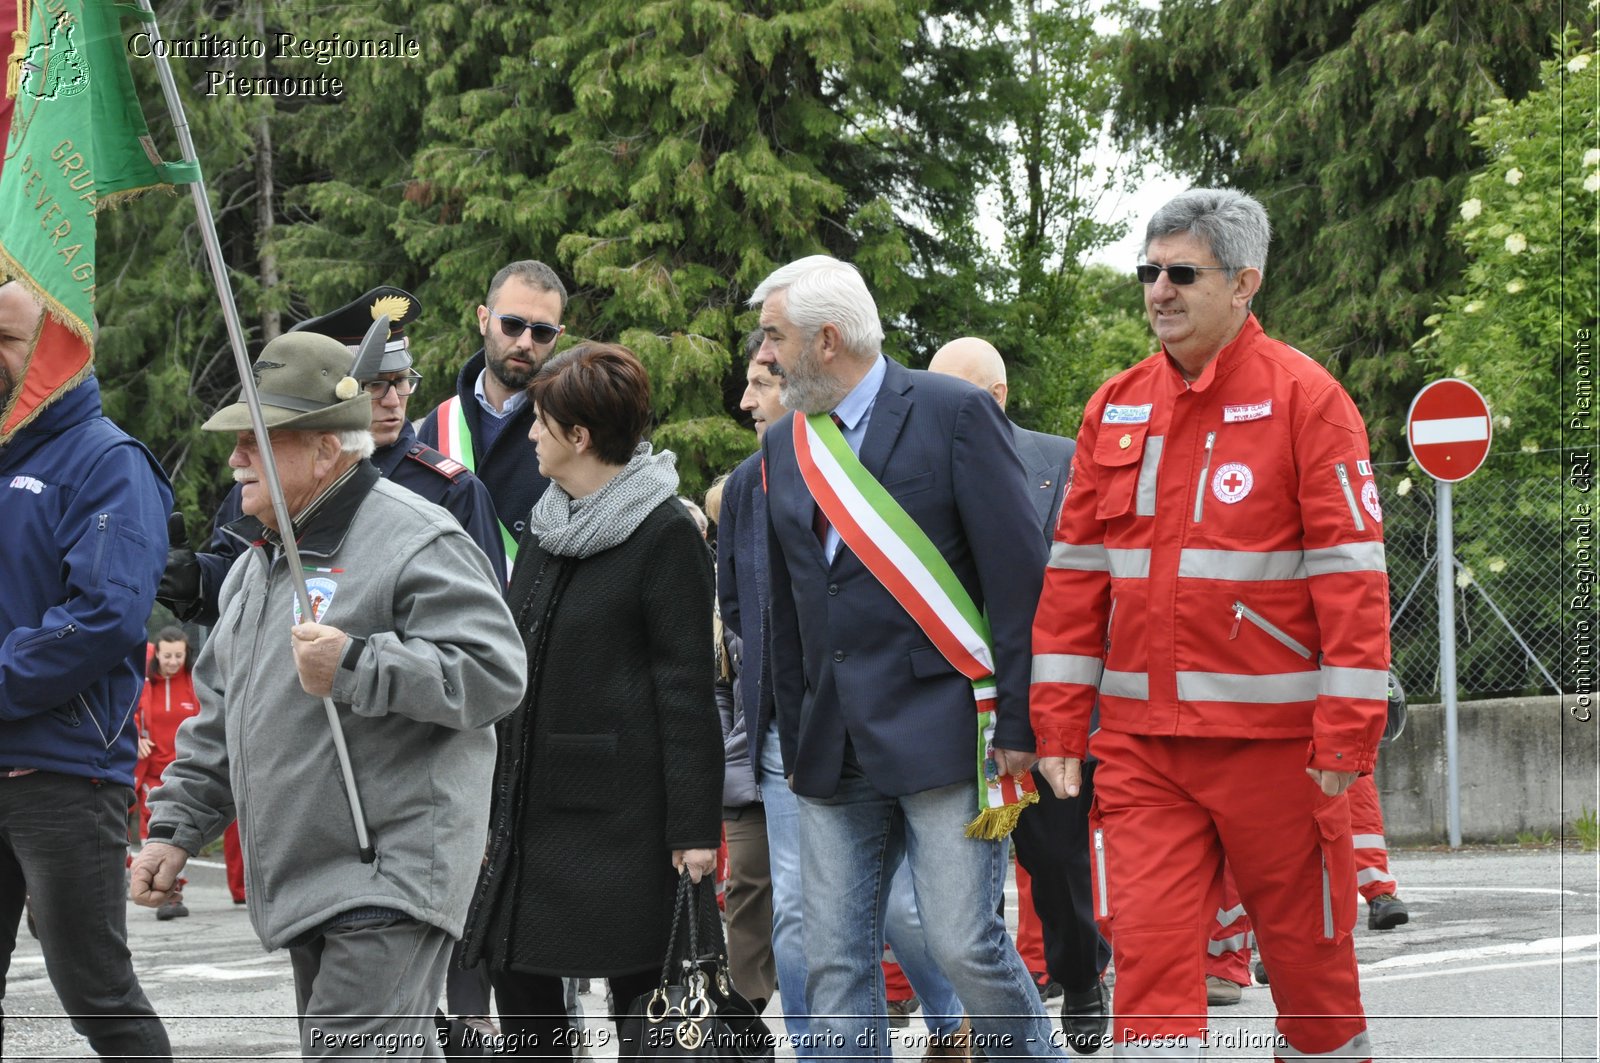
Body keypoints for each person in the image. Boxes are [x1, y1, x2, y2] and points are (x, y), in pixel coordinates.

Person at [1031, 188, 1389, 1060]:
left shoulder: (1309, 400)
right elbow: (1074, 580)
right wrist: (1057, 725)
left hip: (1276, 750)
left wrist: (1346, 736)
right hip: (1146, 751)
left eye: (1182, 273)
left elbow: (1353, 581)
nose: (1159, 289)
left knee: (1312, 971)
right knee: (1151, 968)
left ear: (1244, 284)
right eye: (1149, 271)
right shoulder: (1114, 406)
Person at [130, 330, 526, 1059]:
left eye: (256, 440)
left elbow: (495, 672)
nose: (234, 458)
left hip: (388, 876)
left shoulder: (415, 538)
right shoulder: (257, 566)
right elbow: (224, 712)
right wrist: (174, 826)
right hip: (313, 881)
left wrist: (357, 664)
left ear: (324, 450)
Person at [754, 256, 1060, 1061]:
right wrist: (792, 717)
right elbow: (787, 601)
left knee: (964, 944)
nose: (766, 354)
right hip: (831, 739)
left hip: (945, 731)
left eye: (775, 336)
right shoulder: (786, 445)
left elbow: (1018, 576)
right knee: (835, 962)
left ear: (826, 340)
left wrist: (1025, 719)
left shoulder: (950, 410)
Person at [460, 343, 723, 1059]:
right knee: (521, 993)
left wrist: (695, 831)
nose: (531, 435)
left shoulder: (665, 531)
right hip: (528, 816)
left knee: (646, 1010)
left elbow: (686, 690)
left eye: (541, 422)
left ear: (580, 436)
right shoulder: (549, 524)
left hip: (625, 826)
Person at [0, 280, 174, 1059]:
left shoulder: (108, 461)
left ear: (59, 349)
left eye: (6, 340)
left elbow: (103, 614)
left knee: (95, 991)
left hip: (63, 775)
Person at [927, 337, 1113, 1053]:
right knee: (949, 877)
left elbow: (1076, 578)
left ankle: (1081, 973)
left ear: (995, 396)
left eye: (956, 392)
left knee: (1054, 858)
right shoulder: (915, 472)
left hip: (1042, 703)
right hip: (948, 702)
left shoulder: (1059, 460)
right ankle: (984, 1008)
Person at [158, 286, 506, 627]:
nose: (393, 399)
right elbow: (244, 592)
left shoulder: (451, 492)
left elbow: (479, 630)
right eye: (374, 385)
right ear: (334, 397)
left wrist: (357, 663)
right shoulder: (272, 475)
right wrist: (196, 583)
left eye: (401, 381)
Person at [417, 260, 568, 566]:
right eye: (512, 324)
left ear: (559, 336)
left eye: (542, 332)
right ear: (483, 319)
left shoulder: (572, 428)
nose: (525, 343)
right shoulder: (440, 423)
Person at [133, 628, 202, 920]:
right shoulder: (145, 686)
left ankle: (173, 894)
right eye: (167, 655)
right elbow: (130, 715)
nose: (173, 661)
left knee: (178, 832)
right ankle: (155, 886)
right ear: (156, 654)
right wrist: (134, 738)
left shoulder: (196, 685)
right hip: (153, 772)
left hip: (185, 773)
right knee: (152, 834)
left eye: (178, 655)